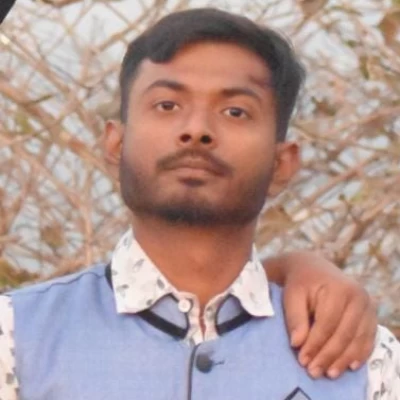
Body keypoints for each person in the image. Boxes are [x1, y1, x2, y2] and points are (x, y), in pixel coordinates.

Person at [0, 7, 398, 400]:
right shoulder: (15, 335)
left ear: (282, 164)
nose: (196, 130)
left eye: (235, 111)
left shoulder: (368, 363)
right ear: (116, 144)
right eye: (167, 105)